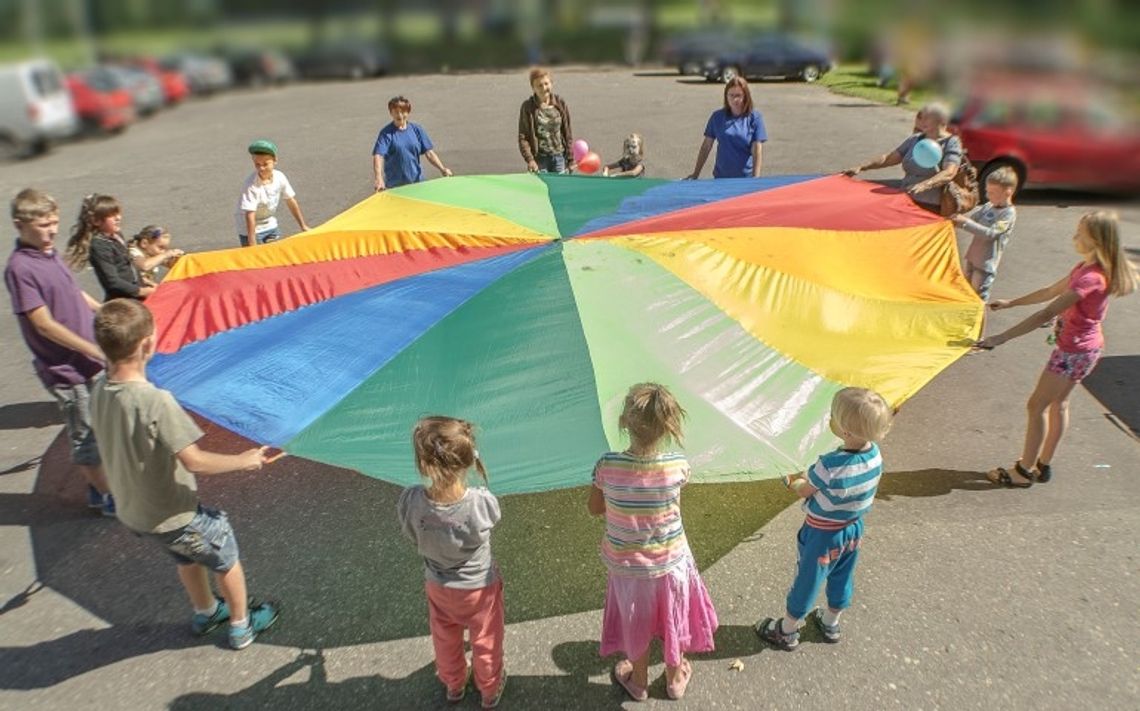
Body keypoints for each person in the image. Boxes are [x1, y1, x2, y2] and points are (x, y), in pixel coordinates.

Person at [89, 298, 280, 649]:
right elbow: (195, 460)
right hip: (174, 514)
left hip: (136, 511)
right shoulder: (155, 401)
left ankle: (206, 611)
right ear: (148, 343)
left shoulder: (99, 387)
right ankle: (241, 626)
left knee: (186, 555)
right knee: (225, 556)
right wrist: (243, 460)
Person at [976, 211, 1137, 487]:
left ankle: (1023, 471)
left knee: (1036, 405)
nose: (1074, 237)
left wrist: (1001, 338)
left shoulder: (1090, 278)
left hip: (1072, 352)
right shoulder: (1087, 268)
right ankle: (1043, 464)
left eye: (1080, 233)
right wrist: (1011, 302)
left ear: (1096, 240)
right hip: (1085, 350)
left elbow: (1047, 311)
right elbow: (1049, 291)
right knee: (1058, 403)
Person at [587, 383, 718, 701]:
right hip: (671, 564)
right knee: (673, 617)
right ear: (669, 426)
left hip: (627, 568)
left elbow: (595, 508)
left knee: (637, 622)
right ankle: (674, 679)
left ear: (624, 423)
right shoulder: (677, 466)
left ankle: (639, 681)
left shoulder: (607, 465)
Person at [755, 387, 893, 650]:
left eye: (833, 416)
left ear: (845, 432)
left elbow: (805, 490)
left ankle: (787, 630)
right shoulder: (875, 454)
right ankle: (830, 623)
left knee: (808, 579)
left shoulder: (829, 464)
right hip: (853, 529)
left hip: (822, 535)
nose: (829, 418)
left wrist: (792, 482)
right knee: (842, 575)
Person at [5, 188, 114, 516]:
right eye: (43, 225)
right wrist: (93, 349)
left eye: (54, 222)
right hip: (67, 370)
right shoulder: (20, 269)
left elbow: (72, 290)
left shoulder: (48, 253)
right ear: (20, 224)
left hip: (88, 360)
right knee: (86, 437)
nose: (52, 231)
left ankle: (99, 487)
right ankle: (107, 496)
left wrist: (105, 310)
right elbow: (43, 324)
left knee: (102, 426)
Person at [397, 416, 506, 709]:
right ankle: (489, 690)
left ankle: (454, 684)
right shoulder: (481, 502)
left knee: (445, 639)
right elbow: (492, 521)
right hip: (479, 588)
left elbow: (412, 534)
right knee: (486, 639)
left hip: (439, 586)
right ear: (468, 461)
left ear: (423, 464)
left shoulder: (411, 500)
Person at [843, 101, 963, 213]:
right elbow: (888, 159)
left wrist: (925, 185)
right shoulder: (915, 139)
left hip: (929, 204)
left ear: (941, 120)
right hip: (905, 194)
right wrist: (862, 167)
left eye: (927, 117)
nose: (922, 121)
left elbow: (949, 172)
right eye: (921, 117)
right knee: (863, 188)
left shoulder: (951, 142)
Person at [66, 194, 154, 301]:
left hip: (135, 292)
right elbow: (113, 281)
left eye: (118, 213)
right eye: (112, 216)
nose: (118, 218)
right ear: (96, 221)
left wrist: (143, 282)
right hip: (124, 300)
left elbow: (127, 266)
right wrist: (141, 291)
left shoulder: (116, 235)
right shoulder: (99, 245)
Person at [952, 166, 1018, 301]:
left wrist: (964, 222)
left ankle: (980, 315)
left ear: (1007, 192)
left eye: (992, 193)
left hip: (985, 265)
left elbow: (991, 234)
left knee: (978, 298)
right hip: (972, 258)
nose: (988, 196)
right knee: (967, 293)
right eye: (987, 191)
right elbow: (973, 218)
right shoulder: (989, 206)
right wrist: (956, 217)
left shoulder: (1008, 214)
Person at [686, 77, 767, 179]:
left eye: (738, 95)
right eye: (731, 95)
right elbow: (706, 146)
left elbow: (757, 150)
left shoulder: (755, 118)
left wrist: (755, 178)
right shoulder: (717, 117)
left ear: (746, 96)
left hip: (745, 179)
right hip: (721, 178)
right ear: (726, 96)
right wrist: (695, 174)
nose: (734, 99)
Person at [235, 139, 311, 247]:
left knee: (276, 252)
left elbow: (290, 201)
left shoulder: (280, 177)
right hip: (251, 229)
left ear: (275, 160)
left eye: (265, 164)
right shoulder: (251, 185)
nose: (261, 168)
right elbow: (250, 214)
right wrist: (252, 242)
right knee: (258, 257)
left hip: (269, 224)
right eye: (257, 164)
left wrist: (303, 225)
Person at [372, 95, 453, 192]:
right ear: (391, 113)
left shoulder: (416, 129)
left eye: (403, 112)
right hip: (396, 187)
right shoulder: (386, 133)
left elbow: (429, 153)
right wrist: (379, 178)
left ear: (408, 112)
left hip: (417, 184)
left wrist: (442, 169)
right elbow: (378, 155)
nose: (400, 115)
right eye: (396, 112)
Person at [517, 67, 573, 174]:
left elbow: (567, 133)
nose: (544, 88)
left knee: (559, 184)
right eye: (539, 85)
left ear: (551, 84)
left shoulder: (560, 104)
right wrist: (530, 160)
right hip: (540, 160)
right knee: (542, 184)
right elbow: (523, 137)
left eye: (546, 84)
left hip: (559, 158)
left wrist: (570, 160)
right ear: (533, 88)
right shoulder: (528, 107)